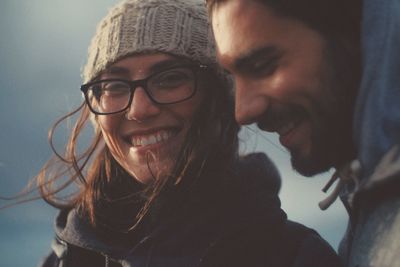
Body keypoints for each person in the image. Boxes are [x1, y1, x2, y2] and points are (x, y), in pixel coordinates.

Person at [30, 0, 342, 266]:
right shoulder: (64, 257)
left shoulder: (295, 256)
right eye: (114, 85)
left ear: (221, 98)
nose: (138, 110)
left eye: (169, 79)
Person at [206, 0, 400, 266]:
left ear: (349, 26)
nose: (242, 112)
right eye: (232, 79)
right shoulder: (370, 199)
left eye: (263, 66)